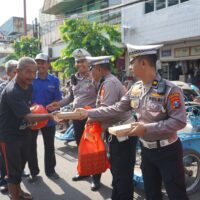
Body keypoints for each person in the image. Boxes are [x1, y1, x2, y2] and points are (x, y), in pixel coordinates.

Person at [73, 44, 189, 200]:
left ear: (143, 63)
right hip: (147, 151)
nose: (129, 66)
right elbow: (116, 108)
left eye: (132, 61)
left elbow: (179, 121)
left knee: (176, 194)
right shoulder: (135, 89)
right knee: (152, 193)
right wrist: (87, 112)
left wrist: (146, 128)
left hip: (168, 151)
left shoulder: (170, 90)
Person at [0, 57, 53, 200]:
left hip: (24, 132)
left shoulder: (28, 86)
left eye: (34, 72)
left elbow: (27, 110)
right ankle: (14, 196)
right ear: (17, 72)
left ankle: (19, 192)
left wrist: (34, 115)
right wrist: (50, 116)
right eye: (28, 72)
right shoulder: (12, 90)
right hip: (9, 136)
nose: (32, 76)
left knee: (21, 165)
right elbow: (28, 116)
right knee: (13, 171)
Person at [85, 55, 137, 198]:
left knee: (122, 173)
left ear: (99, 69)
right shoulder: (106, 82)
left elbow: (107, 111)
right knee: (118, 172)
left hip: (122, 134)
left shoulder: (109, 83)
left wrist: (87, 115)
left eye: (91, 69)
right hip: (117, 133)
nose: (90, 73)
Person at [47, 48, 98, 190]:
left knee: (93, 148)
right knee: (80, 145)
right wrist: (59, 103)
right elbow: (71, 97)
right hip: (76, 117)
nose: (80, 64)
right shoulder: (74, 77)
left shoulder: (95, 77)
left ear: (89, 62)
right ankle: (84, 172)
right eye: (77, 61)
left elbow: (101, 98)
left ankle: (96, 177)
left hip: (91, 117)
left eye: (83, 61)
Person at [27, 53, 62, 183]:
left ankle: (50, 171)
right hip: (32, 119)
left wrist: (56, 108)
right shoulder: (30, 79)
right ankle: (33, 172)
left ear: (48, 64)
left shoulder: (54, 80)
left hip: (48, 119)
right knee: (31, 146)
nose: (40, 65)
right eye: (38, 62)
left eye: (43, 62)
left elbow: (58, 100)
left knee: (50, 146)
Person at [0, 60, 18, 193]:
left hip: (18, 129)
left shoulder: (22, 86)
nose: (18, 74)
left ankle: (15, 179)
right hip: (5, 129)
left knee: (14, 157)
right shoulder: (3, 88)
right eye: (15, 72)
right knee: (4, 157)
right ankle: (4, 180)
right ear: (8, 73)